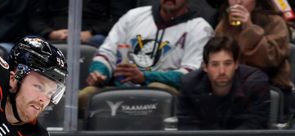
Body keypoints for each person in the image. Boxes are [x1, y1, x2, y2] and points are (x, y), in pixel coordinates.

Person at [78, 0, 214, 115]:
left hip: (168, 95)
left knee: (157, 89)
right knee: (84, 96)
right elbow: (107, 52)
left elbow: (191, 75)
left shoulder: (200, 28)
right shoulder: (134, 16)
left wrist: (145, 77)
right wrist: (99, 73)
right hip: (120, 88)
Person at [177, 35, 271, 129]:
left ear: (236, 64)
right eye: (215, 64)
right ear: (205, 67)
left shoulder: (254, 83)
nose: (222, 71)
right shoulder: (189, 85)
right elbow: (188, 128)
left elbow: (254, 127)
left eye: (227, 64)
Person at [213, 0, 292, 90]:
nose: (238, 2)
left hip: (269, 84)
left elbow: (269, 59)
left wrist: (249, 28)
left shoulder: (275, 22)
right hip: (232, 85)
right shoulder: (224, 25)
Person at [27, 0, 137, 48]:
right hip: (53, 32)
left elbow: (120, 17)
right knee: (30, 42)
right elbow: (33, 17)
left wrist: (92, 33)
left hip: (93, 34)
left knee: (100, 41)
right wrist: (50, 33)